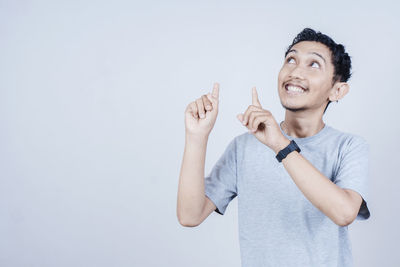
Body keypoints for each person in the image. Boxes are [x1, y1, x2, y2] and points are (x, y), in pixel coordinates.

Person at [176, 28, 370, 267]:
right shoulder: (244, 147)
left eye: (314, 65)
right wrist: (197, 136)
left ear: (337, 90)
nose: (296, 71)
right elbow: (189, 215)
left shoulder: (348, 147)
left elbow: (344, 213)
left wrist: (280, 144)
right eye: (291, 59)